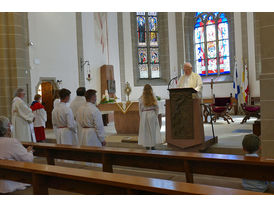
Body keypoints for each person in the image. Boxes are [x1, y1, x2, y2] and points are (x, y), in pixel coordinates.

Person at [0, 116, 34, 194]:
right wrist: (29, 151)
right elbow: (28, 159)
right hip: (9, 180)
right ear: (8, 128)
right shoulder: (11, 142)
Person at [138, 84, 163, 150]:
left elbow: (140, 109)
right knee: (153, 130)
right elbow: (157, 108)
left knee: (146, 131)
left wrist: (141, 117)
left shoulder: (141, 98)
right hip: (152, 114)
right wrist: (156, 115)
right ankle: (152, 145)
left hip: (144, 114)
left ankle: (147, 145)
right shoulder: (153, 97)